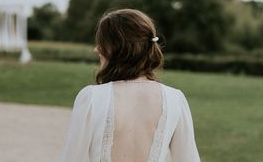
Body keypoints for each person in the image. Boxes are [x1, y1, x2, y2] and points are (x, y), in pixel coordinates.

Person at [60, 9, 200, 162]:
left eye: (102, 43)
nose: (96, 49)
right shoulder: (174, 99)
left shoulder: (92, 98)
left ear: (116, 48)